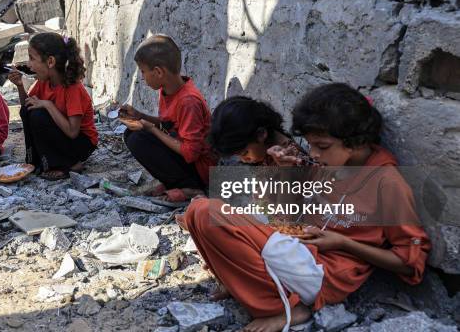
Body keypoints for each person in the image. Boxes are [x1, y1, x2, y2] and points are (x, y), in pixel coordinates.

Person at [180, 83, 430, 332]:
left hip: (325, 273)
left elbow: (411, 262)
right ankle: (242, 282)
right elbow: (287, 219)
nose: (314, 154)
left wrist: (344, 243)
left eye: (322, 146)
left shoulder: (387, 182)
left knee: (205, 212)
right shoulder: (328, 165)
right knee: (200, 213)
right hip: (300, 252)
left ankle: (284, 308)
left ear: (355, 141)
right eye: (311, 145)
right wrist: (286, 173)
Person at [121, 34, 217, 202]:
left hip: (200, 170)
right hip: (182, 154)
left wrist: (150, 128)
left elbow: (191, 154)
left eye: (143, 72)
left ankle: (191, 188)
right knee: (130, 134)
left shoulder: (188, 101)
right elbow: (168, 124)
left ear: (158, 72)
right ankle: (172, 182)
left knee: (139, 139)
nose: (143, 78)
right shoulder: (168, 90)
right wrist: (139, 115)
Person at [8, 33, 98, 180]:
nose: (29, 65)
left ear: (50, 62)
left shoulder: (72, 88)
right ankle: (36, 161)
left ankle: (70, 164)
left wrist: (48, 105)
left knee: (39, 115)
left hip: (82, 143)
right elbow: (27, 106)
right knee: (28, 110)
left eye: (32, 58)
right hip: (63, 137)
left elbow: (72, 132)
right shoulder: (44, 81)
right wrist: (19, 86)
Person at [208, 96, 309, 166]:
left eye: (244, 153)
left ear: (261, 134)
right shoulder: (264, 153)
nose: (243, 160)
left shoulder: (294, 159)